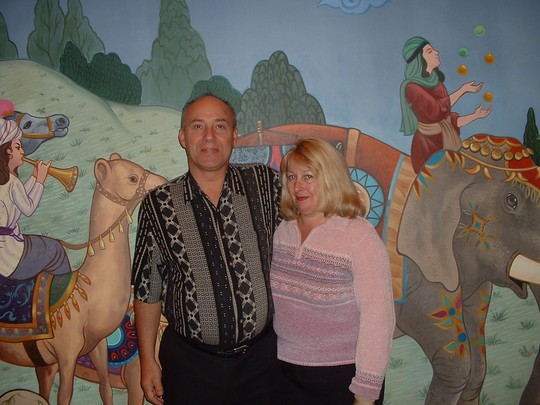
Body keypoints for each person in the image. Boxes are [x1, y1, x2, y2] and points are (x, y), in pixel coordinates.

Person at [131, 94, 282, 404]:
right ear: (183, 137)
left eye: (220, 126)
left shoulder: (266, 184)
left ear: (234, 136)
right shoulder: (158, 204)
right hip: (190, 367)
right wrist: (148, 360)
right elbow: (148, 289)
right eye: (198, 126)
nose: (209, 137)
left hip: (263, 364)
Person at [271, 137, 395, 405]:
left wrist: (365, 393)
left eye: (308, 176)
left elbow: (378, 319)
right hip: (285, 375)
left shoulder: (358, 235)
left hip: (344, 378)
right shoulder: (283, 232)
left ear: (330, 178)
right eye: (291, 176)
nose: (297, 186)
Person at [399, 36, 492, 173]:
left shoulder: (437, 83)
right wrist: (463, 90)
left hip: (445, 145)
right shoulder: (412, 88)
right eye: (430, 51)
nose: (436, 52)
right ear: (419, 59)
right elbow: (437, 111)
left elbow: (448, 122)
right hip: (428, 150)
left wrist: (475, 115)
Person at [0, 113, 71, 280]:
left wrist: (34, 177)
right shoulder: (12, 183)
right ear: (8, 152)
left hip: (5, 249)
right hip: (9, 255)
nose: (22, 152)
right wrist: (40, 181)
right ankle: (64, 294)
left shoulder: (7, 181)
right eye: (18, 147)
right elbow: (28, 208)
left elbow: (18, 200)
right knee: (55, 250)